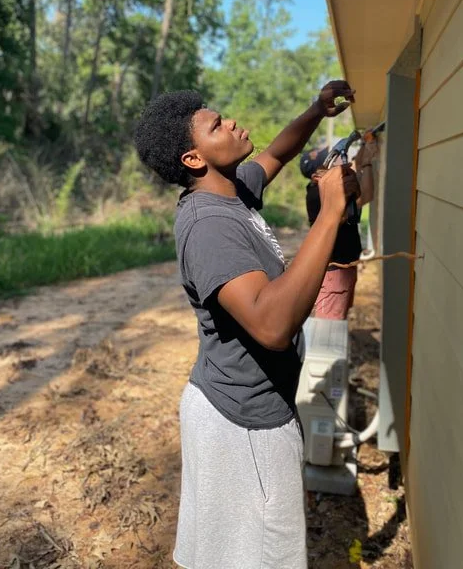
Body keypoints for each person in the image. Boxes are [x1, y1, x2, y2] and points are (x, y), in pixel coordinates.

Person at [134, 80, 360, 569]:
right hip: (242, 425)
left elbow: (278, 151)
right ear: (194, 159)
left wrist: (316, 111)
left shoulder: (231, 190)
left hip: (249, 410)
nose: (231, 122)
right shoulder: (208, 226)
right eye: (216, 125)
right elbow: (271, 324)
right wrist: (332, 212)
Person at [300, 136, 377, 320]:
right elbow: (365, 195)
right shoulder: (319, 195)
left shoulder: (322, 188)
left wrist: (365, 145)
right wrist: (367, 164)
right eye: (329, 163)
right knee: (328, 327)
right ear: (316, 177)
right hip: (334, 273)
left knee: (336, 320)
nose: (335, 164)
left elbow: (353, 165)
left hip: (343, 266)